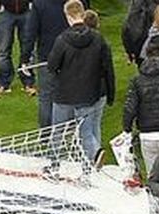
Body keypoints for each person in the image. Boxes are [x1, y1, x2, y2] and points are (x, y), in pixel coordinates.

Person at [48, 0, 115, 163]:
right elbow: (107, 67)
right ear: (83, 13)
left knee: (58, 132)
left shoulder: (62, 39)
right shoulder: (98, 39)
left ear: (67, 16)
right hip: (89, 93)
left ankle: (53, 165)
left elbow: (52, 66)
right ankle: (91, 161)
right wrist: (110, 93)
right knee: (87, 131)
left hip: (64, 94)